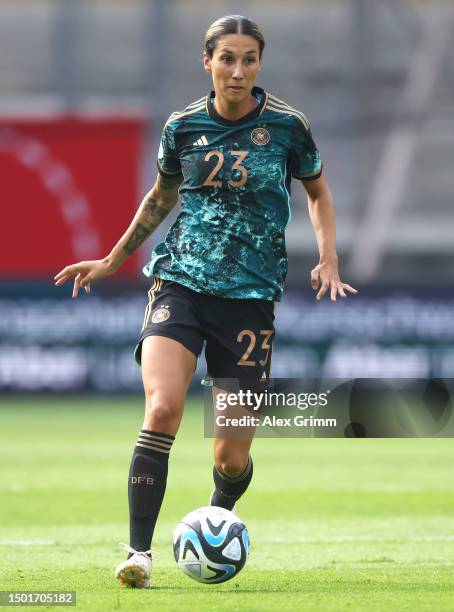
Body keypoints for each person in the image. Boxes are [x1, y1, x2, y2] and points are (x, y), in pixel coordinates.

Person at [54, 14, 357, 588]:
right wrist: (113, 260)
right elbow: (161, 195)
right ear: (208, 62)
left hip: (250, 298)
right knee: (163, 409)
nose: (238, 70)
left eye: (248, 59)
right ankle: (138, 553)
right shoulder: (183, 126)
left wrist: (328, 256)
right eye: (227, 59)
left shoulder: (289, 126)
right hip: (180, 284)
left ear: (259, 64)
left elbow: (317, 192)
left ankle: (221, 514)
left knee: (229, 458)